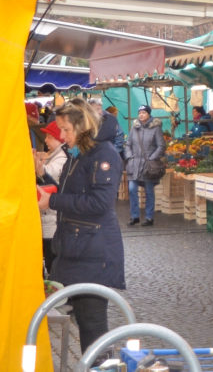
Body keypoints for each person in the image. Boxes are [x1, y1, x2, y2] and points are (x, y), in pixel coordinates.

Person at [37, 98, 125, 356]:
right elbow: (70, 192)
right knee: (86, 323)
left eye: (66, 129)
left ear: (82, 126)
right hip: (79, 249)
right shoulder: (80, 153)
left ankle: (99, 366)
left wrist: (51, 200)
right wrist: (44, 178)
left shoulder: (104, 153)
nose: (62, 136)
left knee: (93, 326)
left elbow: (99, 202)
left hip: (94, 255)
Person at [34, 120, 67, 276]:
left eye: (49, 137)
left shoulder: (61, 158)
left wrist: (37, 166)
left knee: (53, 263)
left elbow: (49, 173)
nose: (45, 140)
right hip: (49, 223)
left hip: (52, 224)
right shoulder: (54, 155)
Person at [124, 105, 166, 227]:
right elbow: (128, 144)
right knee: (132, 189)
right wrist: (129, 157)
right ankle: (134, 216)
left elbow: (161, 146)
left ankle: (149, 217)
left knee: (149, 191)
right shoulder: (134, 128)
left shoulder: (156, 128)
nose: (141, 115)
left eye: (143, 112)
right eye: (140, 112)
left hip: (148, 166)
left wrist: (152, 158)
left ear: (148, 114)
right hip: (134, 165)